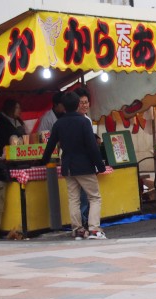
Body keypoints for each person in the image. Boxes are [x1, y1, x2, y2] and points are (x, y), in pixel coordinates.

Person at [41, 91, 107, 240]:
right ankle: (94, 229)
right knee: (94, 197)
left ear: (63, 106)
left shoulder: (59, 123)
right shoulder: (83, 122)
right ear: (78, 105)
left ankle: (78, 230)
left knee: (74, 199)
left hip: (68, 166)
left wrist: (43, 160)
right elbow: (92, 146)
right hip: (84, 166)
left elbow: (50, 145)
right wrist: (100, 166)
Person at [74, 87, 95, 228]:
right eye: (82, 102)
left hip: (86, 162)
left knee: (83, 196)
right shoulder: (73, 119)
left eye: (86, 102)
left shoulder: (87, 119)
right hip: (80, 163)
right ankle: (83, 224)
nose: (85, 105)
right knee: (82, 197)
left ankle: (83, 223)